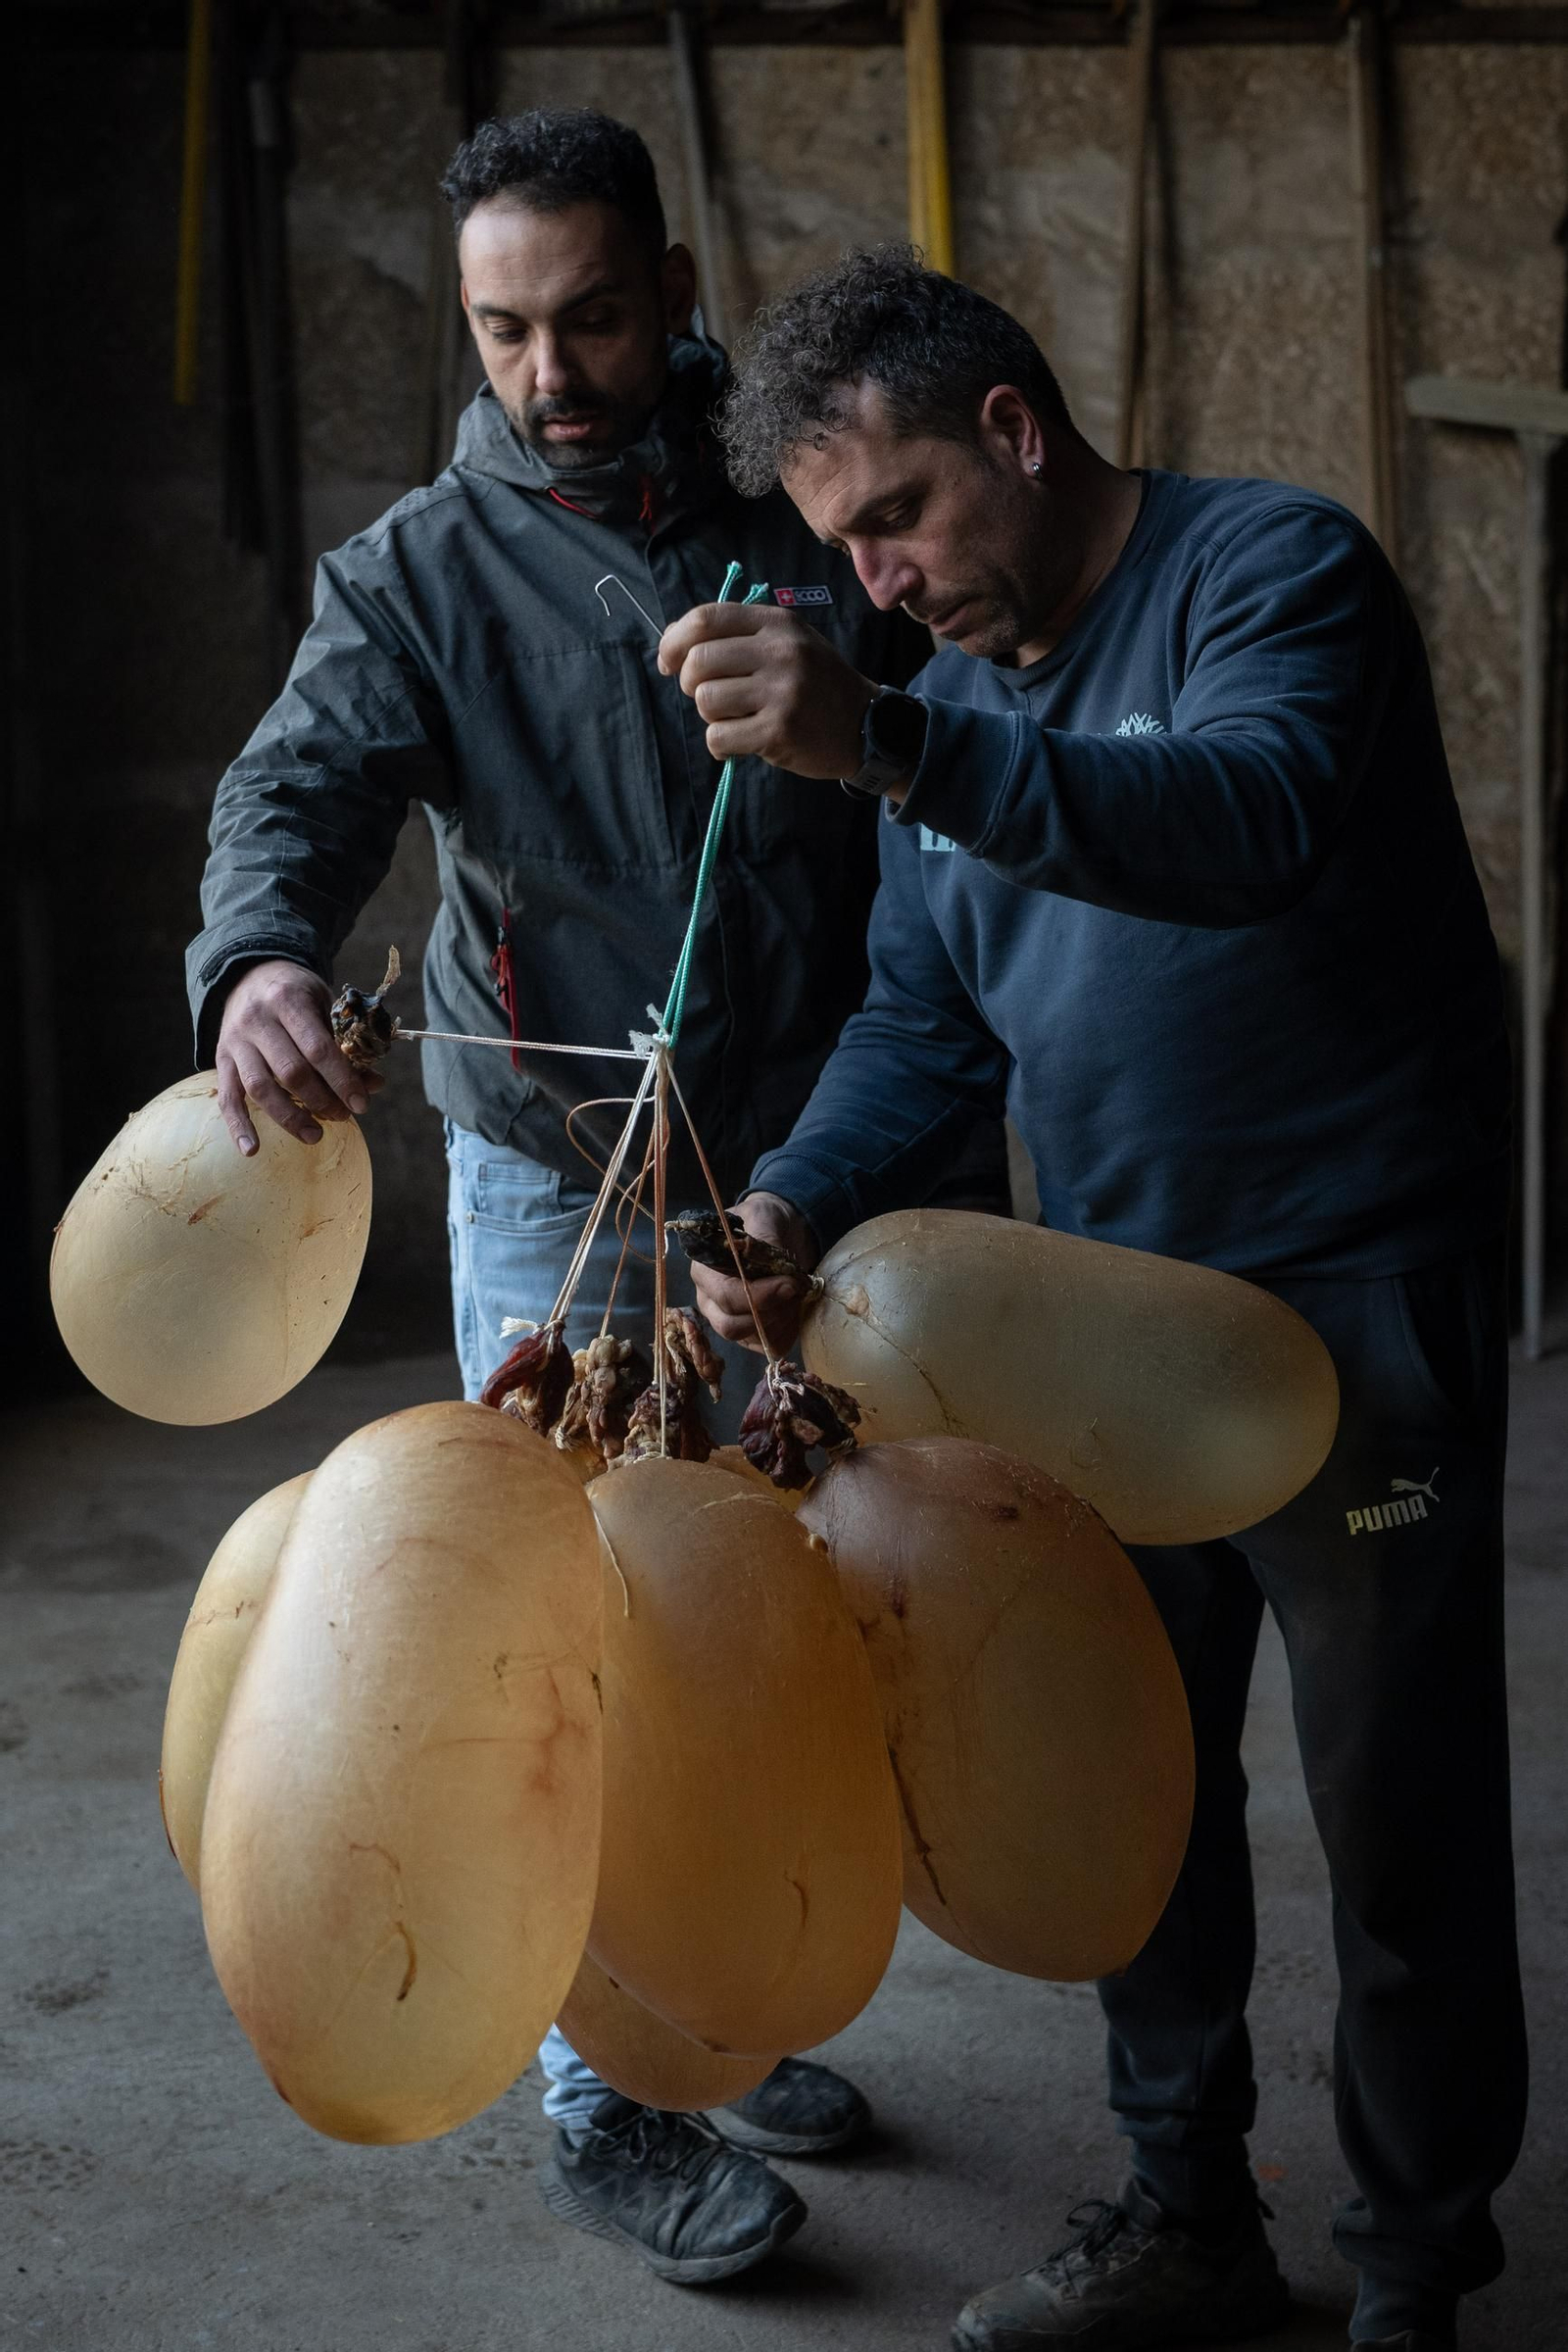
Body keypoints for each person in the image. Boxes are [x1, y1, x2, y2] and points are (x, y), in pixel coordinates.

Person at [670, 248, 1523, 2352]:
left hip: (1350, 1302)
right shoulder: (936, 706)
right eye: (834, 550)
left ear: (1012, 434)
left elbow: (1244, 818)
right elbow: (918, 1024)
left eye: (892, 520)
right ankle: (1184, 2211)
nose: (872, 584)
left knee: (1395, 1828)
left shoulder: (1270, 575)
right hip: (1088, 1325)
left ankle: (1413, 2276)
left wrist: (888, 748)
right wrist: (791, 1193)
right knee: (1126, 1793)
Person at [186, 125, 1005, 2287]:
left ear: (665, 280)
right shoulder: (420, 572)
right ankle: (602, 2098)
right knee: (548, 1630)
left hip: (791, 1160)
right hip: (544, 1166)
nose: (548, 370)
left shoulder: (789, 516)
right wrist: (263, 956)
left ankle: (706, 2001)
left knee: (749, 1608)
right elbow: (298, 787)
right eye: (502, 330)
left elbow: (949, 743)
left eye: (591, 318)